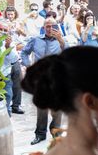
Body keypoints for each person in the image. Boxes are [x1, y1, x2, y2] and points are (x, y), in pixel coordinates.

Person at [21, 17, 66, 145]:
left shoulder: (62, 40)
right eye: (47, 26)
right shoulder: (36, 40)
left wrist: (61, 41)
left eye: (53, 26)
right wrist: (28, 65)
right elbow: (24, 53)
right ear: (43, 27)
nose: (50, 28)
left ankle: (56, 132)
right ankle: (40, 134)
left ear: (57, 27)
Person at [4, 6, 25, 114]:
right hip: (5, 57)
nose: (10, 16)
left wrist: (18, 29)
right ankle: (6, 105)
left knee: (18, 81)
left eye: (12, 14)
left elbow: (25, 39)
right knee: (6, 82)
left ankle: (16, 105)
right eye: (8, 14)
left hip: (16, 55)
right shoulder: (2, 23)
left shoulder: (18, 23)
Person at [0, 21, 19, 116]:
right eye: (0, 29)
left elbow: (14, 60)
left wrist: (7, 48)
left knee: (7, 100)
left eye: (5, 30)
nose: (2, 32)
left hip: (5, 78)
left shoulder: (10, 43)